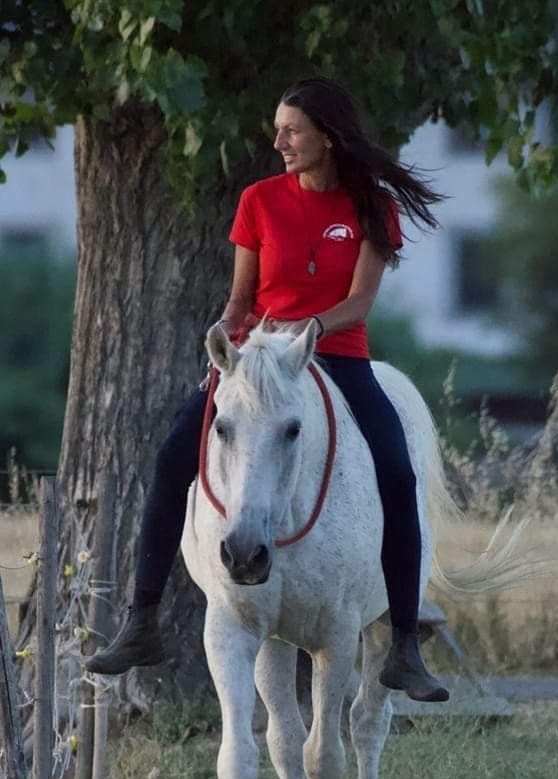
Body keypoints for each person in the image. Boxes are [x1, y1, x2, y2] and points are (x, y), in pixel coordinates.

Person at [87, 76, 449, 703]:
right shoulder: (258, 200)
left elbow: (359, 302)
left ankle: (406, 646)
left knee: (397, 469)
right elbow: (242, 297)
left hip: (335, 355)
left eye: (292, 131)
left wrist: (306, 329)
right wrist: (230, 331)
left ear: (328, 138)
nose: (279, 140)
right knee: (174, 454)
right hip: (257, 359)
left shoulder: (373, 208)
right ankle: (141, 619)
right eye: (278, 129)